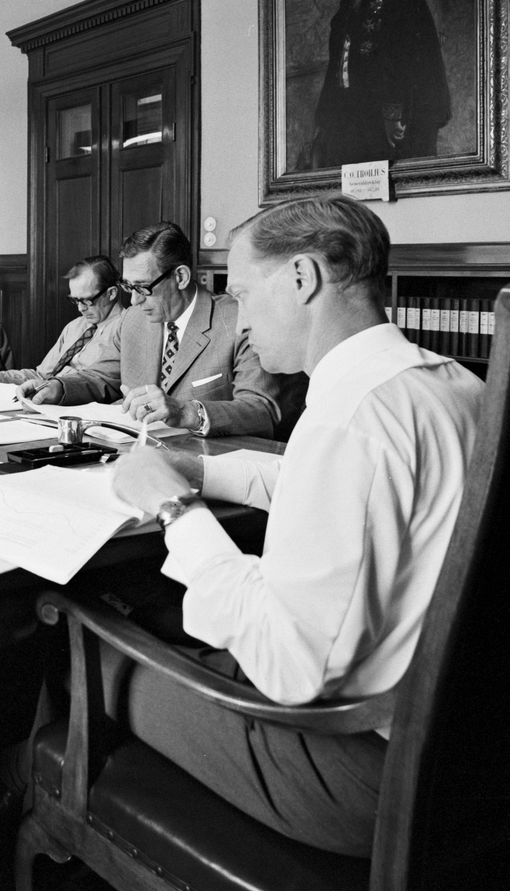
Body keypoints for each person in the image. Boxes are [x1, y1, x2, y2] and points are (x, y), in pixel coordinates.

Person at [100, 195, 482, 855]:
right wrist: (197, 470)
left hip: (359, 768)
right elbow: (325, 484)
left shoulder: (347, 420)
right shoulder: (442, 383)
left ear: (302, 277)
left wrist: (175, 509)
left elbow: (289, 666)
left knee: (85, 648)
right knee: (155, 614)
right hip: (460, 746)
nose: (242, 319)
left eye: (244, 295)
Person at [39, 223, 279, 438]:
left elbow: (262, 410)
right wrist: (57, 387)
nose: (134, 301)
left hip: (210, 460)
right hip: (138, 454)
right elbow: (101, 378)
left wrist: (187, 412)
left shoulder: (238, 321)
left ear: (181, 277)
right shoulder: (133, 320)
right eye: (128, 287)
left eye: (143, 288)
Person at [311, 0, 451, 168]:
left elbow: (406, 57)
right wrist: (326, 118)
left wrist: (394, 114)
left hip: (393, 109)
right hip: (356, 112)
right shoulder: (349, 2)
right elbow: (339, 59)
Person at [0, 255, 121, 402]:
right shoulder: (75, 326)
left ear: (111, 293)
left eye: (87, 300)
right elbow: (42, 376)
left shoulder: (124, 329)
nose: (80, 308)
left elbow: (102, 385)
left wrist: (56, 389)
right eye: (75, 300)